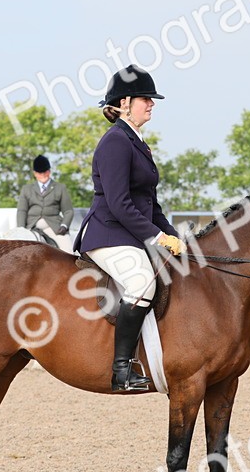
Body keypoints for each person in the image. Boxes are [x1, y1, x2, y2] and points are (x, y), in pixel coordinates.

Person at [73, 65, 185, 392]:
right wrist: (156, 236)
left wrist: (174, 236)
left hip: (129, 233)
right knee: (142, 283)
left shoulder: (137, 142)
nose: (151, 104)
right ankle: (121, 369)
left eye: (151, 99)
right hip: (109, 233)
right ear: (124, 103)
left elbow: (151, 202)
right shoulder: (115, 142)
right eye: (145, 99)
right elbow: (120, 203)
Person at [16, 155, 74, 254]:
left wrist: (64, 225)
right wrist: (21, 229)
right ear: (35, 173)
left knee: (68, 251)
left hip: (54, 226)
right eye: (40, 172)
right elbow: (22, 210)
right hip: (32, 226)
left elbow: (68, 211)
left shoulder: (60, 188)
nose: (43, 175)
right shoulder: (27, 189)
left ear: (49, 171)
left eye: (45, 172)